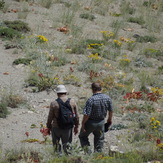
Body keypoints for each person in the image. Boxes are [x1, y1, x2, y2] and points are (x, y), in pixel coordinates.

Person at [79, 82, 113, 153]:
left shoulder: (91, 99)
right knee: (99, 139)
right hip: (101, 122)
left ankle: (88, 153)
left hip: (91, 122)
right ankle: (97, 155)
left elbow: (87, 114)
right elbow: (111, 110)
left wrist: (83, 124)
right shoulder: (107, 98)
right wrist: (109, 120)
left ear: (93, 89)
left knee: (82, 136)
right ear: (100, 88)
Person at [46, 85, 79, 155]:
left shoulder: (54, 103)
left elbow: (50, 117)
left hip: (56, 127)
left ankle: (58, 159)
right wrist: (76, 126)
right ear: (65, 92)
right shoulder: (72, 102)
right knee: (67, 146)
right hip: (68, 128)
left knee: (57, 147)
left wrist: (48, 127)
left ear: (57, 93)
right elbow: (76, 116)